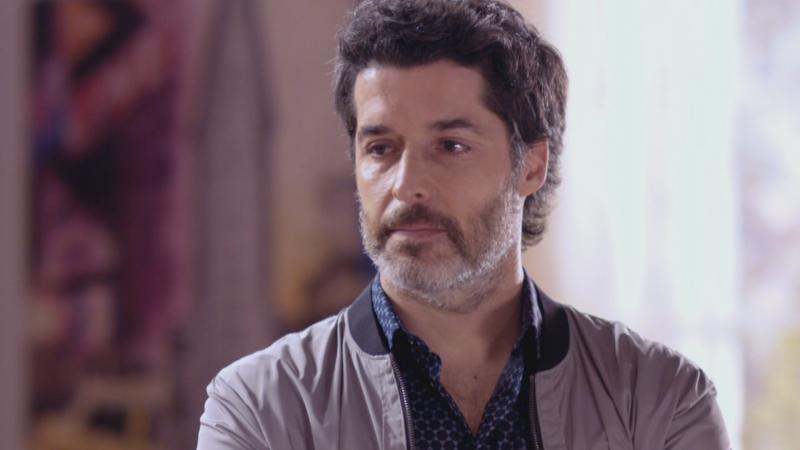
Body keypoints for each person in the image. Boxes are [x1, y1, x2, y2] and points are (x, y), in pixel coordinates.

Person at [197, 0, 730, 448]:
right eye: (380, 148)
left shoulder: (659, 403)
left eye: (450, 146)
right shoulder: (259, 410)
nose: (407, 185)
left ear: (531, 166)